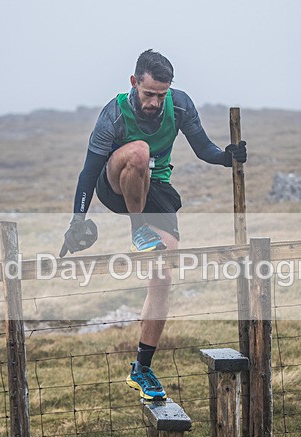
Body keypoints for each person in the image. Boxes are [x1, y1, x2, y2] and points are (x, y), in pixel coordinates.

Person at [59, 49, 247, 400]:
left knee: (163, 275)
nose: (155, 102)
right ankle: (137, 230)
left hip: (156, 188)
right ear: (134, 83)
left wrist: (227, 156)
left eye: (162, 94)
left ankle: (141, 368)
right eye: (149, 94)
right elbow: (88, 173)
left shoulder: (180, 105)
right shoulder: (114, 114)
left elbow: (203, 147)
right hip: (116, 183)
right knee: (140, 151)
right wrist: (76, 220)